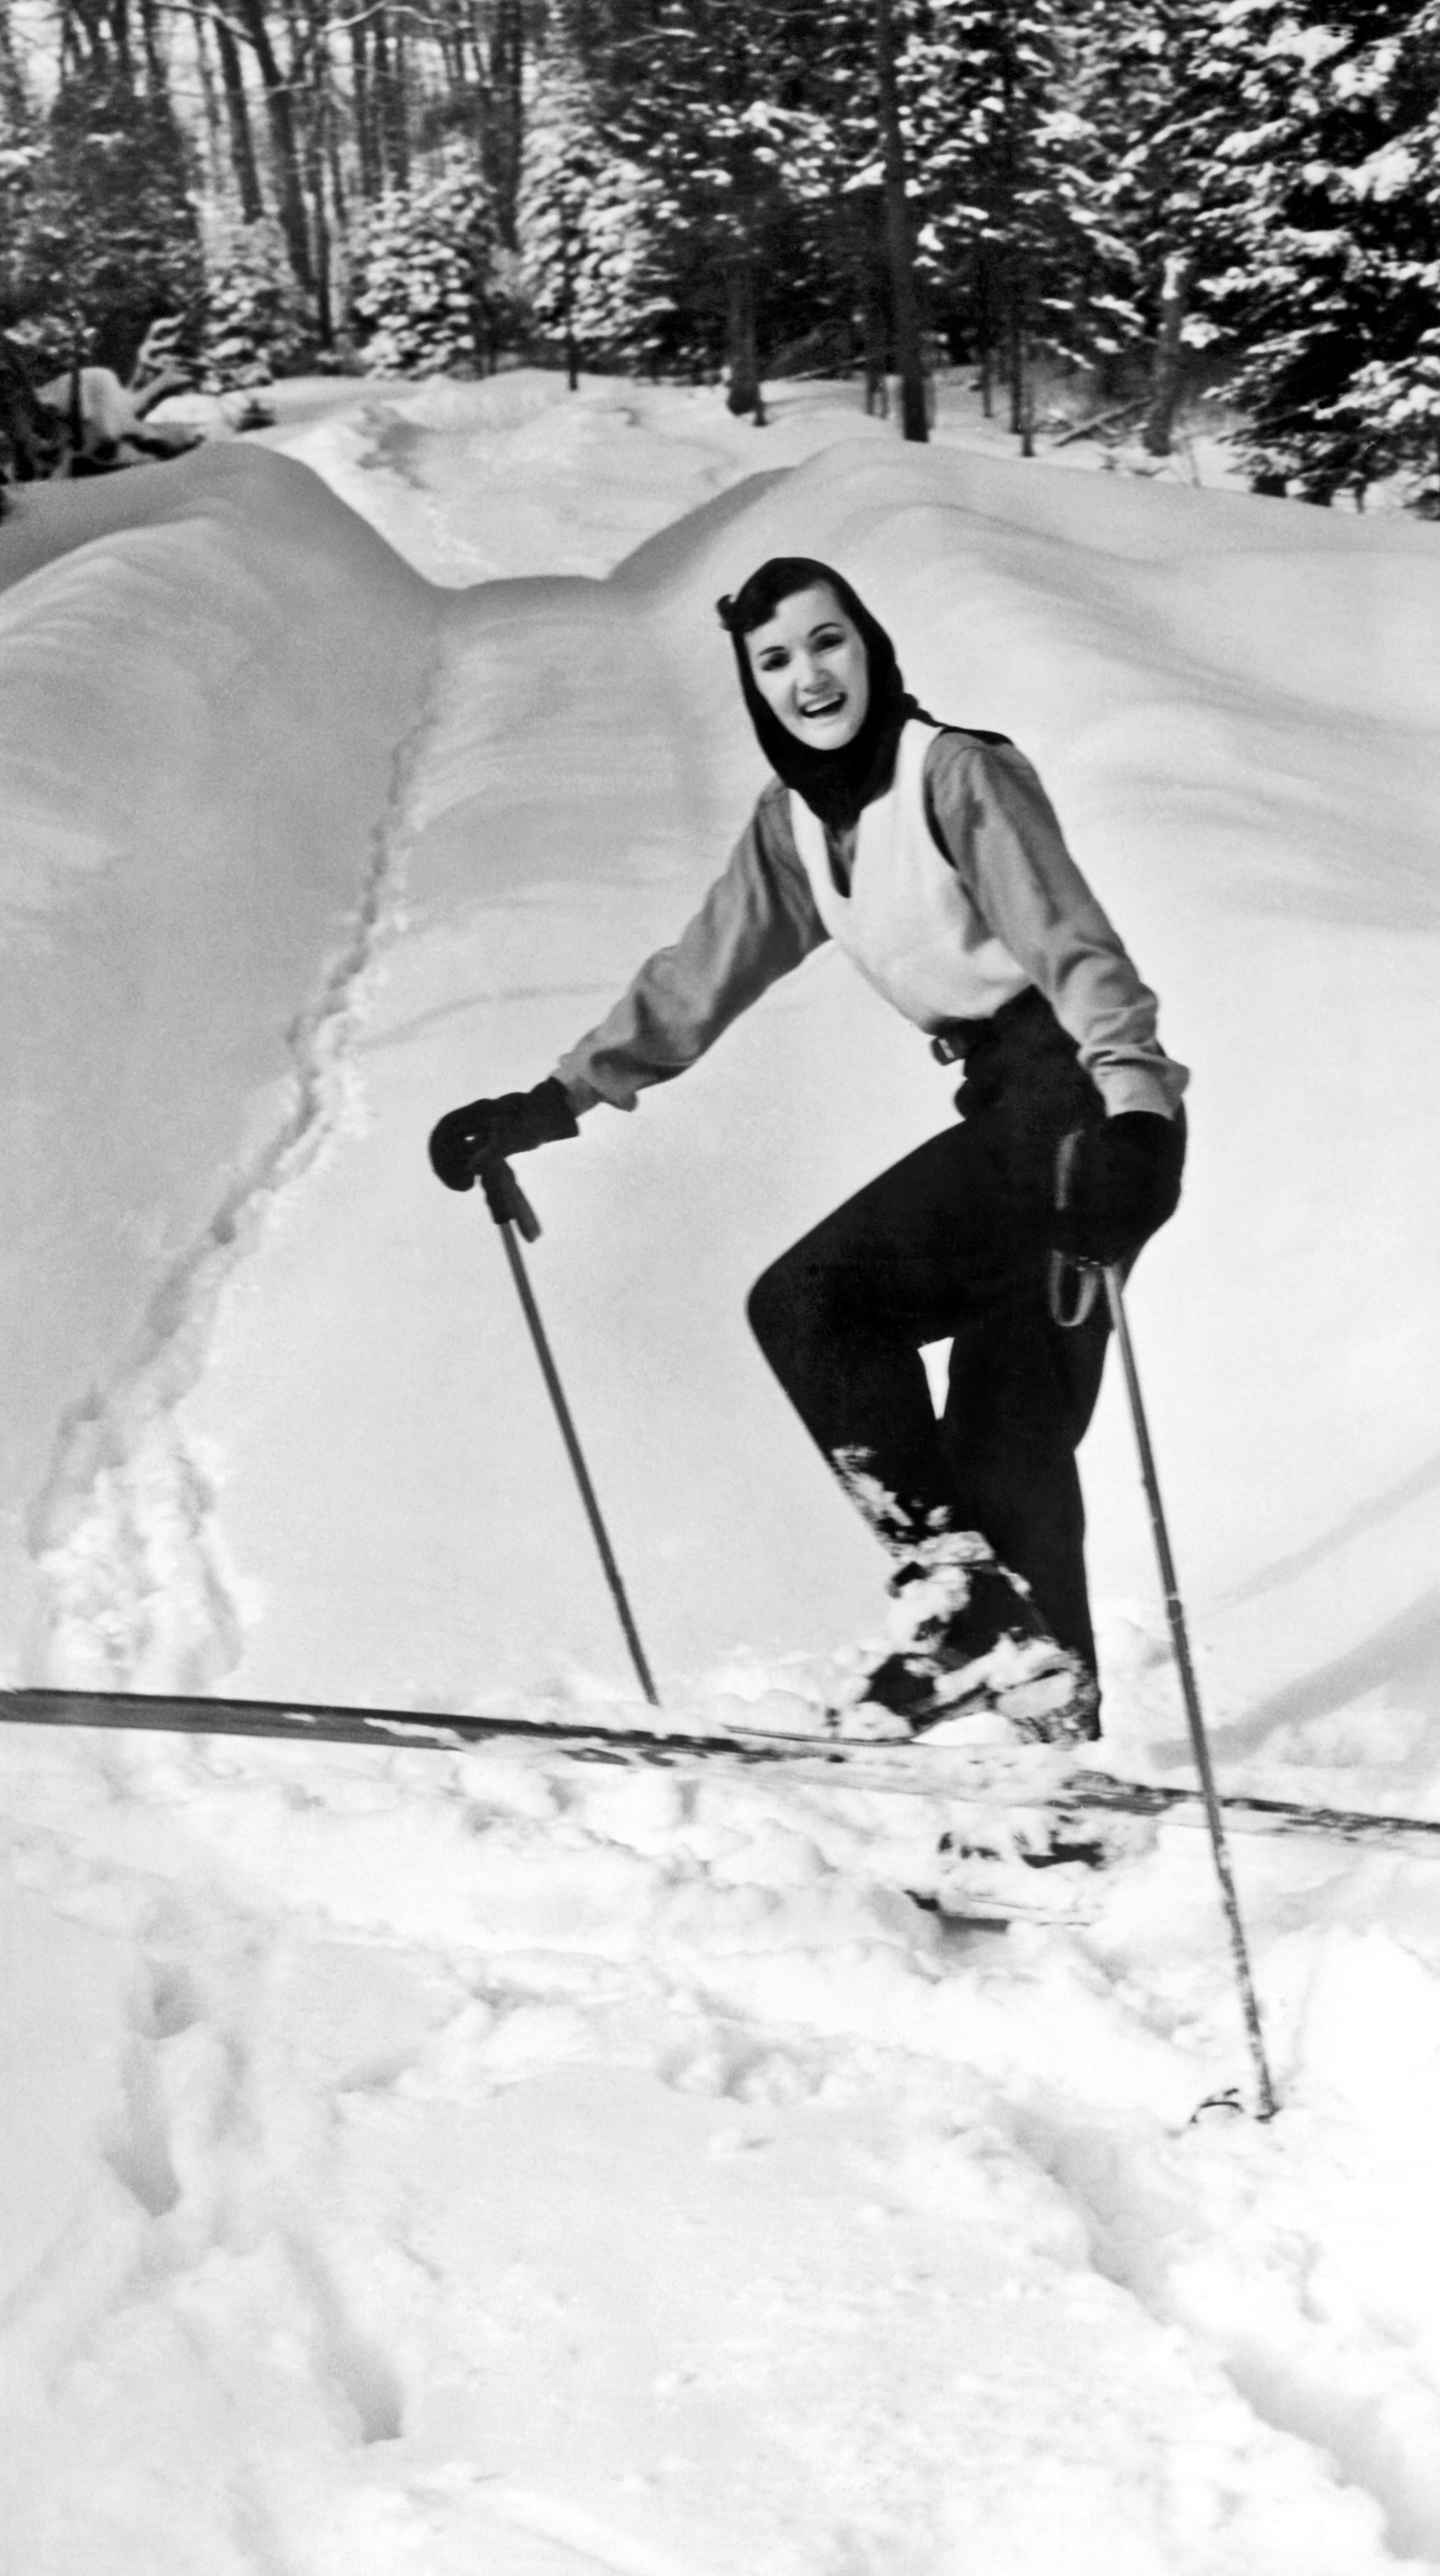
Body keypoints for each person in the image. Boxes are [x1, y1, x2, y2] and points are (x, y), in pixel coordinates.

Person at [429, 555, 1185, 1745]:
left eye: (827, 642)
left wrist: (1136, 1112)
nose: (808, 675)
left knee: (817, 1305)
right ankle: (1045, 1769)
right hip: (1006, 1110)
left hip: (1078, 1115)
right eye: (773, 660)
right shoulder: (795, 830)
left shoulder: (957, 777)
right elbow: (696, 978)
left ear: (872, 647)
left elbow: (1076, 949)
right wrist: (551, 1101)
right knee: (1005, 1446)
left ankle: (964, 1608)